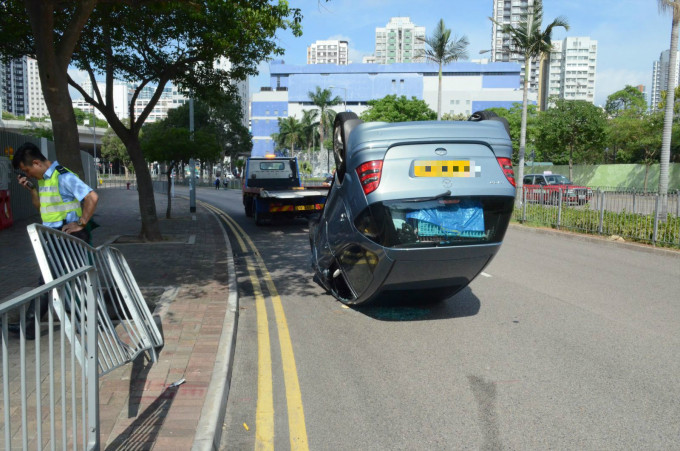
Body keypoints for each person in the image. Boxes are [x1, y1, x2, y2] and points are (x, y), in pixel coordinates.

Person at [10, 142, 99, 339]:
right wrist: (32, 189)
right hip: (56, 238)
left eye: (27, 170)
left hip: (69, 236)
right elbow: (41, 208)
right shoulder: (43, 180)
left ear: (36, 163)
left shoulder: (63, 175)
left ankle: (86, 323)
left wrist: (81, 223)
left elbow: (92, 197)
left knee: (62, 281)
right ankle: (34, 327)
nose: (28, 174)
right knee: (50, 281)